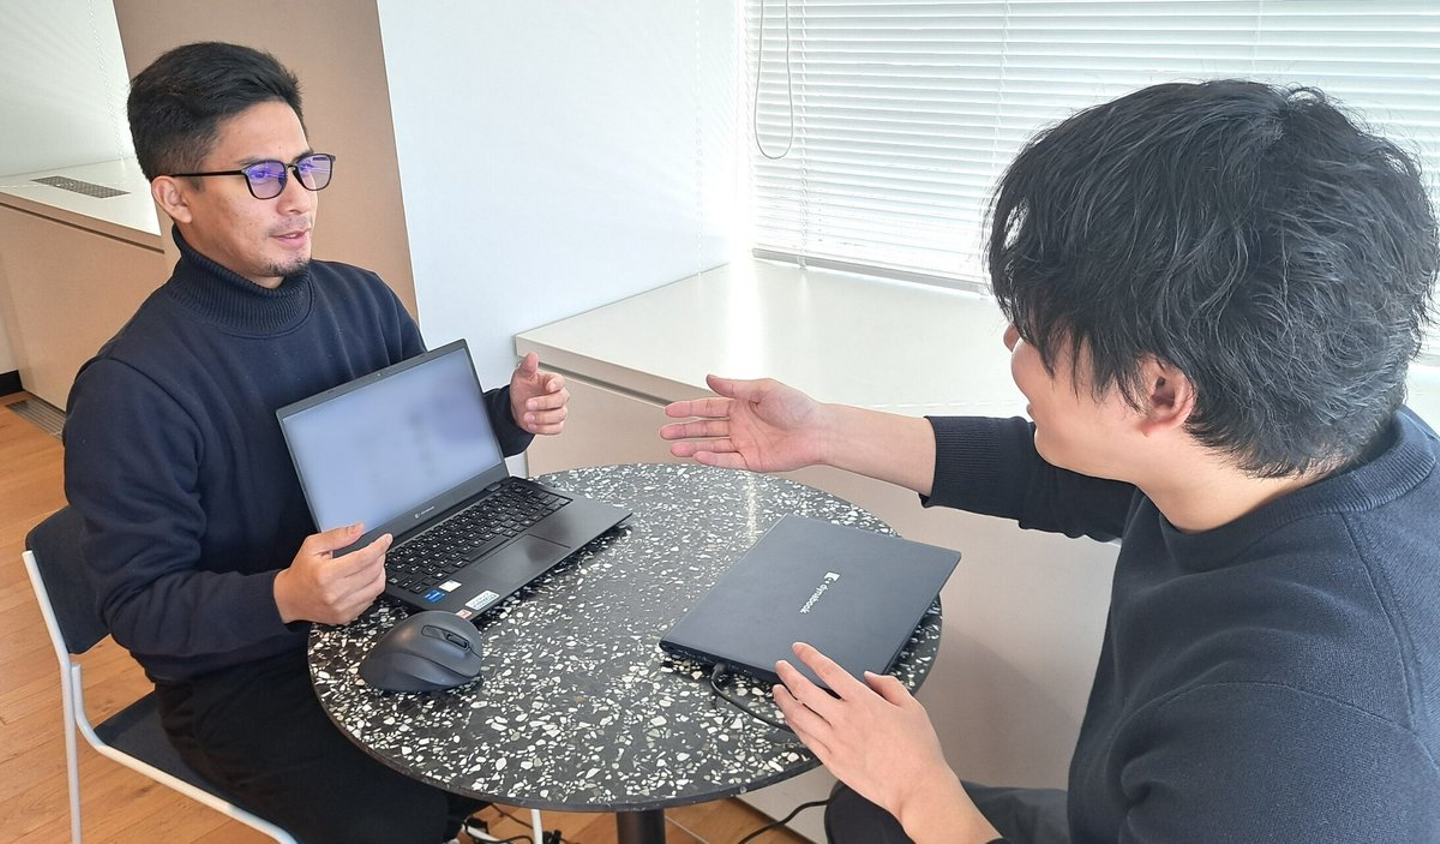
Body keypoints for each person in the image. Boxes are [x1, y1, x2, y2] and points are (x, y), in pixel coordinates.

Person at [661, 79, 1440, 843]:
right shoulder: (1311, 438)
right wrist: (824, 432)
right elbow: (1060, 475)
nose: (1012, 344)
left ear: (1159, 391)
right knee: (862, 814)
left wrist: (921, 788)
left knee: (885, 808)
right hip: (1127, 808)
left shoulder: (1304, 746)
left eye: (1033, 333)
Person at [62, 42, 571, 843]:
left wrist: (505, 416)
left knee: (551, 698)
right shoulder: (131, 388)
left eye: (307, 168)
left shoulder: (360, 298)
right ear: (176, 195)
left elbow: (424, 447)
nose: (299, 201)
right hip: (248, 675)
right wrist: (286, 598)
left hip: (394, 603)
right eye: (263, 177)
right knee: (399, 816)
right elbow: (139, 608)